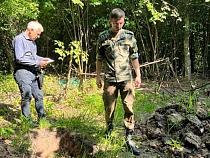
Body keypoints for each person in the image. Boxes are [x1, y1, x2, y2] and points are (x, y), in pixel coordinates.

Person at [96, 8, 141, 155]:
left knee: (128, 106)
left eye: (121, 23)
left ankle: (129, 136)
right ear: (110, 21)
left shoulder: (129, 36)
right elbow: (99, 58)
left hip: (126, 78)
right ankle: (109, 128)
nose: (119, 26)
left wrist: (138, 75)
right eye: (116, 23)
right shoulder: (103, 37)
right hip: (110, 78)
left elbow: (134, 56)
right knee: (109, 106)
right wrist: (97, 76)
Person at [12, 21, 51, 125]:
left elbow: (33, 57)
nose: (38, 37)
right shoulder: (19, 40)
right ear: (30, 30)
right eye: (37, 34)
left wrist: (43, 59)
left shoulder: (32, 42)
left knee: (39, 95)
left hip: (34, 73)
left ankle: (42, 119)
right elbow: (20, 59)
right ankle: (27, 122)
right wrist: (38, 62)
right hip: (23, 73)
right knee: (27, 95)